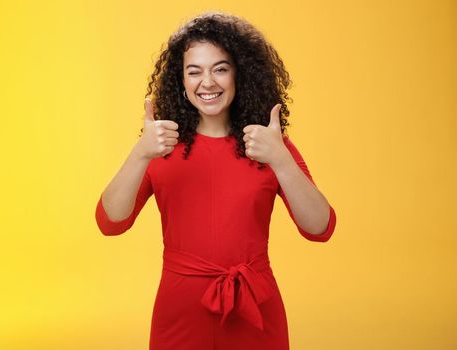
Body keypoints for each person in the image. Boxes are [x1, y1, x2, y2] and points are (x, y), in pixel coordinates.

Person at [94, 11, 337, 350]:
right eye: (194, 71)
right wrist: (140, 153)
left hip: (255, 309)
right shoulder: (160, 143)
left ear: (240, 74)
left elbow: (320, 228)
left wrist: (281, 159)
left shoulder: (268, 143)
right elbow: (110, 222)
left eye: (220, 68)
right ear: (181, 81)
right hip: (179, 313)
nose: (207, 82)